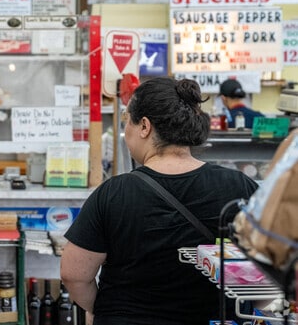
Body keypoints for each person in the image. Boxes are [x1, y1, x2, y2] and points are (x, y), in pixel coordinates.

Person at [60, 77, 259, 325]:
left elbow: (74, 275)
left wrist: (101, 308)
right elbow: (270, 269)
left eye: (127, 122)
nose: (126, 133)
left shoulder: (114, 193)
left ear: (144, 126)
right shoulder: (240, 187)